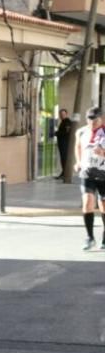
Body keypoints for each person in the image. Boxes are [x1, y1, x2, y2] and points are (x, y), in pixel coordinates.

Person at [73, 107, 105, 250]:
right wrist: (78, 161)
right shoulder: (81, 132)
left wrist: (103, 153)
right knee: (87, 203)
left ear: (101, 119)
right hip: (87, 173)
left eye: (95, 120)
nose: (92, 123)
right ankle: (90, 237)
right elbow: (77, 146)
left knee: (103, 206)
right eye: (90, 120)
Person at [55, 108, 73, 180]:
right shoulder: (63, 122)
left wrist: (57, 133)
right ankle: (63, 173)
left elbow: (67, 132)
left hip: (65, 143)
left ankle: (65, 174)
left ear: (66, 114)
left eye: (63, 114)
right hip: (62, 143)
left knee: (64, 158)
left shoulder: (67, 122)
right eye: (61, 114)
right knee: (63, 158)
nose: (62, 116)